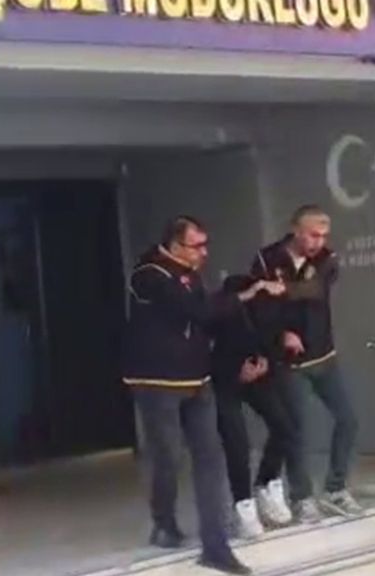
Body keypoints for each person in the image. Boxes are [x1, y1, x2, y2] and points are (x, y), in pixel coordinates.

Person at [123, 216, 282, 575]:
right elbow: (196, 310)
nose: (204, 253)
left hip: (197, 377)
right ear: (174, 245)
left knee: (211, 458)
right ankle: (164, 521)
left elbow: (207, 319)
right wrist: (247, 294)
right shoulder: (149, 275)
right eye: (197, 246)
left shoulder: (190, 273)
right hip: (157, 380)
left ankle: (215, 545)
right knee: (167, 456)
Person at [251, 205, 361, 519]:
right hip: (289, 363)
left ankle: (336, 488)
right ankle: (301, 498)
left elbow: (315, 289)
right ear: (296, 230)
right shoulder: (267, 259)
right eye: (313, 235)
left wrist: (280, 289)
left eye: (324, 235)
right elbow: (259, 306)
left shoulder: (327, 258)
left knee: (348, 420)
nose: (319, 242)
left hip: (323, 354)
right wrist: (281, 333)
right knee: (296, 429)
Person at [210, 275, 305, 539]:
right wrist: (235, 371)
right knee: (237, 443)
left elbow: (270, 339)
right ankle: (243, 505)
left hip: (256, 374)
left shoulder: (269, 306)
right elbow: (208, 351)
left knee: (285, 426)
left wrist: (265, 361)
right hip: (224, 379)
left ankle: (266, 482)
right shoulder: (220, 310)